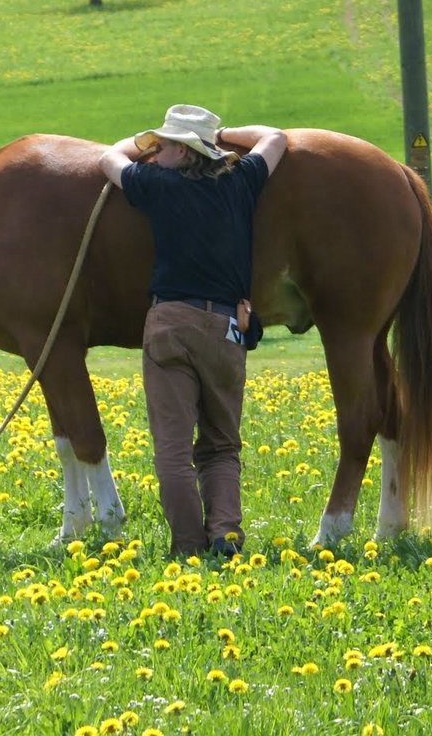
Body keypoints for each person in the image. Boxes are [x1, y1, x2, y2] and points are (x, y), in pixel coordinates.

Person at [100, 104, 286, 558]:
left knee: (173, 451)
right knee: (222, 445)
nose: (155, 151)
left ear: (185, 153)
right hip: (227, 327)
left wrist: (136, 146)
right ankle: (225, 535)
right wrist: (226, 133)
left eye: (164, 145)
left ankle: (187, 547)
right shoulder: (242, 181)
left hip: (171, 325)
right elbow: (276, 137)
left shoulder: (157, 186)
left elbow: (108, 159)